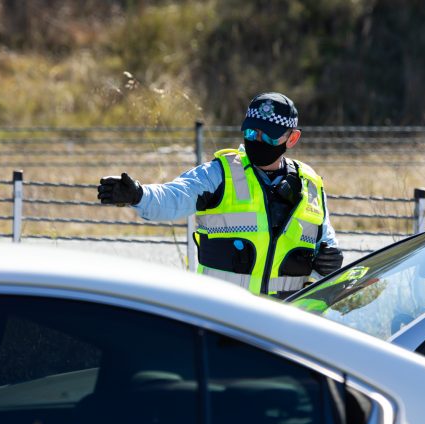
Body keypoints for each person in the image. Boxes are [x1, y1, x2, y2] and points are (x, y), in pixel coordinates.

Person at [97, 92, 343, 297]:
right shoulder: (219, 174)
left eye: (267, 135)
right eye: (250, 133)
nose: (257, 140)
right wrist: (138, 195)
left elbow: (326, 245)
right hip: (225, 319)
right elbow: (174, 197)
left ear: (293, 138)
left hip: (285, 324)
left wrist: (329, 263)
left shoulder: (310, 185)